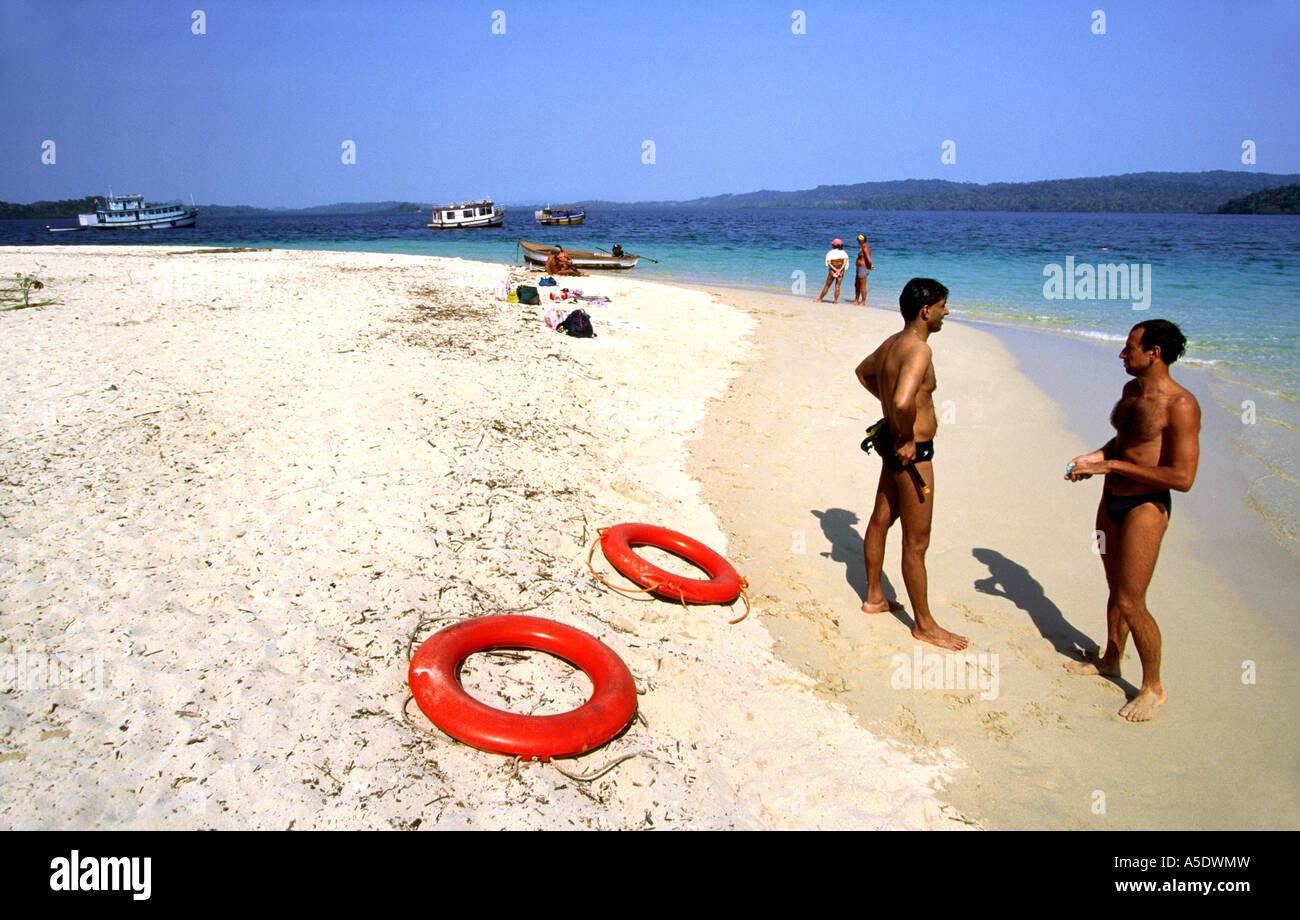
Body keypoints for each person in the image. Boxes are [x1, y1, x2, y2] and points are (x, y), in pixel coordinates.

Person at [1064, 319, 1200, 722]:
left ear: (1154, 352)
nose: (1122, 354)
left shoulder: (1182, 405)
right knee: (1114, 588)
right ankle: (1110, 660)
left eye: (1130, 348)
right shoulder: (1132, 390)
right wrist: (1096, 458)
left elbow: (1183, 478)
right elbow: (1125, 442)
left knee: (1132, 600)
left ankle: (1153, 686)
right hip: (1113, 500)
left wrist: (1114, 465)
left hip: (1146, 506)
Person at [854, 278, 968, 650]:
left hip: (891, 443)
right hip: (912, 451)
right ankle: (924, 624)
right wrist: (905, 434)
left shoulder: (892, 344)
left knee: (880, 519)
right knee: (917, 541)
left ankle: (874, 596)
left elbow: (863, 372)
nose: (946, 312)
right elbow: (904, 401)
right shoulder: (918, 350)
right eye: (942, 306)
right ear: (926, 311)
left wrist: (890, 416)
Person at [816, 238, 851, 303]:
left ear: (833, 245)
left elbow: (829, 263)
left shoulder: (830, 253)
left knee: (827, 285)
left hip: (832, 270)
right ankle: (835, 301)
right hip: (841, 271)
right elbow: (845, 263)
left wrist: (835, 270)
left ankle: (820, 299)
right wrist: (839, 270)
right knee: (837, 286)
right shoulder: (844, 253)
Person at [853, 234, 874, 305]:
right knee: (856, 284)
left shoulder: (865, 247)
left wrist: (870, 266)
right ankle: (856, 299)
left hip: (863, 267)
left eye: (858, 240)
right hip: (859, 267)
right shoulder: (862, 247)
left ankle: (863, 301)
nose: (857, 241)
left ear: (862, 240)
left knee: (862, 285)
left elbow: (868, 259)